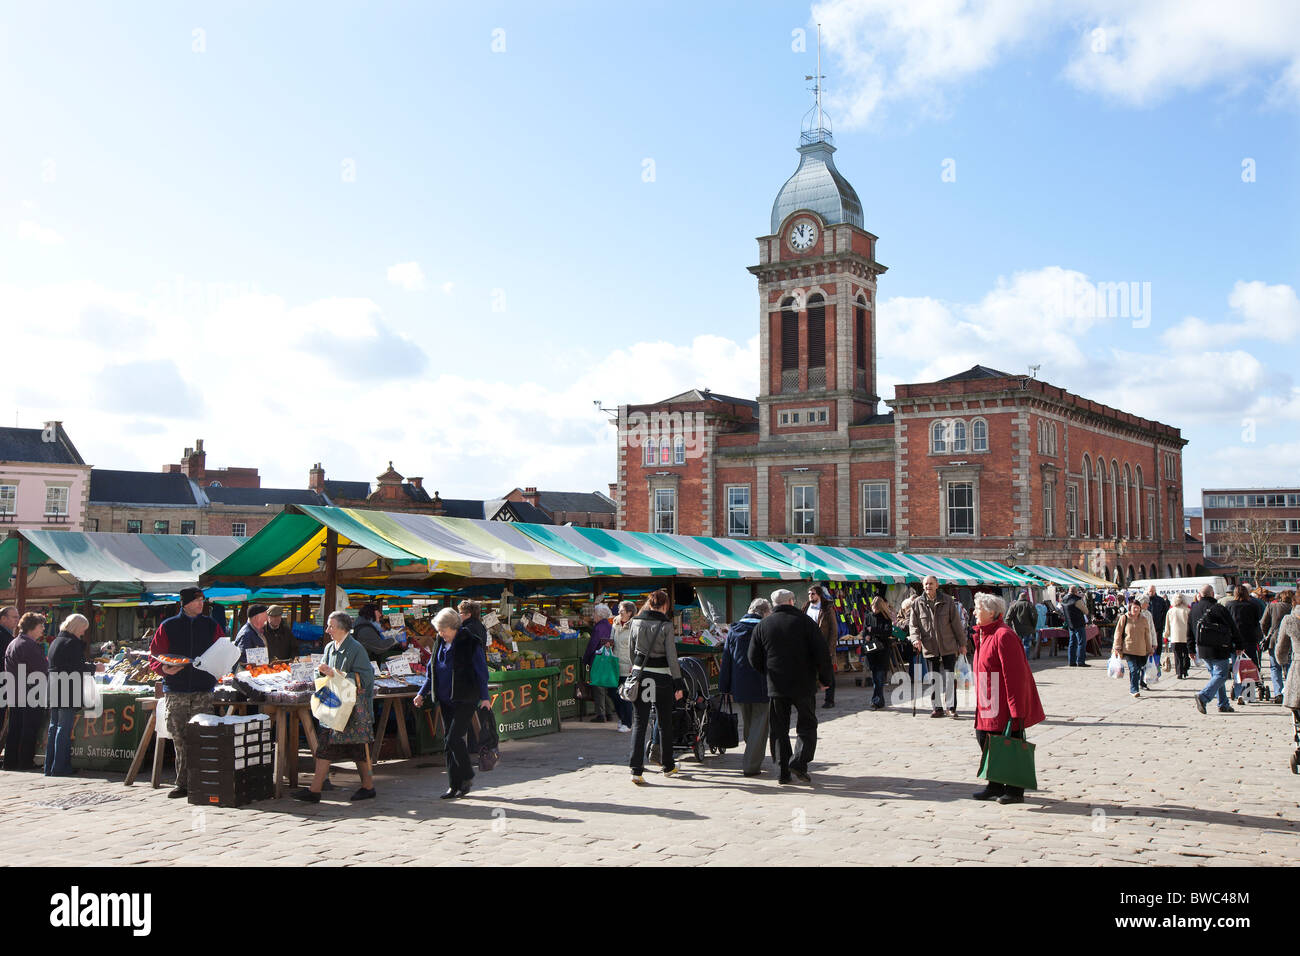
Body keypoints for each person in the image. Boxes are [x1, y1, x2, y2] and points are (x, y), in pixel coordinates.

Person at [748, 588, 832, 785]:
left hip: (777, 684)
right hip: (804, 683)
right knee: (807, 725)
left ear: (774, 604)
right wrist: (825, 680)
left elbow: (753, 658)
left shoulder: (763, 625)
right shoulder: (806, 623)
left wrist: (768, 672)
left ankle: (782, 771)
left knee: (779, 729)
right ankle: (799, 761)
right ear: (792, 601)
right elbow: (822, 654)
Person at [294, 611, 378, 802]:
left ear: (342, 628)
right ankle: (315, 789)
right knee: (325, 745)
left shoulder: (356, 648)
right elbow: (323, 675)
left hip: (353, 709)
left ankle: (368, 786)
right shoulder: (330, 647)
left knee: (358, 748)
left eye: (331, 626)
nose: (327, 630)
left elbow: (366, 678)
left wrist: (336, 673)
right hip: (334, 706)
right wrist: (321, 673)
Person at [971, 593, 1044, 805]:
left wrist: (1016, 710)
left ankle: (1014, 789)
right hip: (987, 698)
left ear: (992, 613)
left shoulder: (1004, 635)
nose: (974, 612)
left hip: (1002, 701)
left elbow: (1015, 676)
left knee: (1008, 742)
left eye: (978, 608)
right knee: (985, 739)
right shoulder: (984, 634)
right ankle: (994, 785)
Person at [150, 586, 222, 797]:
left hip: (203, 689)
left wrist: (218, 669)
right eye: (197, 600)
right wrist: (164, 669)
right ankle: (183, 783)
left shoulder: (211, 625)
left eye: (202, 600)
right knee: (179, 736)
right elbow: (154, 655)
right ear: (185, 603)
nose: (201, 604)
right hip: (177, 690)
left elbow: (222, 650)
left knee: (202, 736)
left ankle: (202, 781)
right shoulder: (168, 626)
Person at [413, 606, 490, 799]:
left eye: (443, 630)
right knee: (448, 743)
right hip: (446, 699)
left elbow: (482, 672)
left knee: (453, 738)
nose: (440, 634)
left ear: (454, 627)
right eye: (439, 631)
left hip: (465, 697)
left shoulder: (471, 643)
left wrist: (485, 697)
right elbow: (432, 672)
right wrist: (422, 693)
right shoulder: (440, 642)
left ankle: (467, 775)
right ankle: (454, 785)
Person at [625, 589, 682, 784]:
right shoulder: (665, 625)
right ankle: (668, 765)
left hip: (640, 675)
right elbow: (672, 657)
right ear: (665, 606)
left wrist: (637, 669)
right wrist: (678, 682)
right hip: (662, 677)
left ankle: (636, 769)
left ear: (649, 604)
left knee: (639, 722)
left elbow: (631, 652)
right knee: (665, 722)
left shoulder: (635, 622)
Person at [719, 598, 771, 776]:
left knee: (750, 722)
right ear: (764, 612)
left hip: (740, 684)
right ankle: (751, 764)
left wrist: (724, 685)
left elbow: (726, 659)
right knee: (760, 724)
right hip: (762, 683)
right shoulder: (766, 629)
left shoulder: (734, 630)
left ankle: (752, 756)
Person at [908, 575, 966, 718]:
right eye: (926, 584)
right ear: (923, 586)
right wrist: (915, 639)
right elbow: (913, 625)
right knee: (934, 677)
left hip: (948, 644)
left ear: (937, 585)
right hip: (930, 645)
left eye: (931, 584)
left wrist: (962, 644)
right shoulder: (917, 603)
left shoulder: (947, 600)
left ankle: (951, 707)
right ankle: (937, 707)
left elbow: (956, 624)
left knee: (950, 676)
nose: (928, 586)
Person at [45, 613, 95, 776]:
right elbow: (77, 667)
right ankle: (60, 767)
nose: (83, 633)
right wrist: (95, 668)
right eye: (83, 629)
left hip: (54, 687)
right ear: (77, 627)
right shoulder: (72, 643)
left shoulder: (55, 642)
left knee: (54, 727)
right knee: (63, 729)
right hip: (67, 688)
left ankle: (50, 766)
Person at [3, 612, 49, 770]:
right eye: (41, 626)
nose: (43, 628)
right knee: (28, 728)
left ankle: (11, 761)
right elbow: (42, 670)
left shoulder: (15, 642)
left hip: (16, 691)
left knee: (15, 727)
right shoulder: (28, 645)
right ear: (32, 627)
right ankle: (24, 761)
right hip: (29, 692)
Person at [1189, 583, 1242, 715]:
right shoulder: (1218, 608)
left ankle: (1223, 703)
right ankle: (1204, 696)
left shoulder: (1193, 610)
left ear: (1200, 595)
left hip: (1202, 648)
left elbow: (1189, 630)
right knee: (1221, 675)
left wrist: (1190, 648)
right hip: (1219, 647)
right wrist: (1239, 644)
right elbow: (1232, 627)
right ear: (1212, 594)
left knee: (1215, 675)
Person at [802, 585, 839, 708]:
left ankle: (830, 700)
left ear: (819, 594)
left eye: (812, 593)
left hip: (823, 645)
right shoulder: (805, 607)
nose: (810, 596)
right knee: (809, 673)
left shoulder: (827, 609)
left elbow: (834, 630)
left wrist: (830, 648)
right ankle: (808, 698)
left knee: (827, 673)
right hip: (809, 645)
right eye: (809, 594)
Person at [1226, 584, 1264, 700]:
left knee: (1237, 666)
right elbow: (1257, 621)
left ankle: (1239, 692)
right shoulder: (1253, 605)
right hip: (1250, 639)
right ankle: (1249, 694)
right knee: (1250, 665)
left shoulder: (1229, 605)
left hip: (1234, 640)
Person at [582, 604, 617, 723]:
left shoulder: (598, 628)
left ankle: (601, 715)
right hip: (607, 660)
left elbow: (592, 646)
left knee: (598, 688)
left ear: (600, 615)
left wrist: (585, 659)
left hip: (597, 660)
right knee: (605, 688)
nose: (593, 616)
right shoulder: (610, 626)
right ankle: (609, 712)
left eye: (595, 614)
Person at [1112, 600, 1154, 698]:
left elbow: (1147, 635)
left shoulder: (1143, 619)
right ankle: (1134, 690)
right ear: (1130, 608)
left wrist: (1150, 648)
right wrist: (1117, 646)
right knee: (1134, 669)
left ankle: (1133, 685)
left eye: (1138, 608)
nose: (1136, 609)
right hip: (1128, 649)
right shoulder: (1124, 618)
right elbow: (1118, 633)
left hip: (1141, 650)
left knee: (1137, 669)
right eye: (1134, 607)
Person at [863, 596, 895, 710]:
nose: (874, 610)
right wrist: (866, 636)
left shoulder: (886, 618)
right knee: (875, 677)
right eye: (873, 607)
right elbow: (865, 630)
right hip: (871, 650)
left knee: (879, 677)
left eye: (876, 608)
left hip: (882, 650)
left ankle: (876, 700)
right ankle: (879, 701)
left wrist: (874, 630)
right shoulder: (868, 616)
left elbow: (887, 632)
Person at [1263, 590, 1295, 703]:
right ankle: (1289, 691)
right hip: (1291, 640)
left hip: (1274, 639)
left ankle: (1278, 692)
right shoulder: (1293, 608)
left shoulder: (1272, 606)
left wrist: (1267, 633)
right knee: (1290, 667)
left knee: (1274, 667)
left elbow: (1263, 623)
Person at [609, 601, 636, 731]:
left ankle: (627, 723)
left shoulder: (635, 626)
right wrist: (609, 644)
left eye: (622, 610)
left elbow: (637, 646)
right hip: (615, 664)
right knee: (613, 693)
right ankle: (621, 717)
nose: (619, 612)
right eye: (619, 610)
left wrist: (635, 663)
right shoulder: (615, 624)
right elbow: (611, 640)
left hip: (628, 665)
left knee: (625, 694)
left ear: (630, 612)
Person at [1163, 593, 1192, 679]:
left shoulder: (1170, 611)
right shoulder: (1188, 610)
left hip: (1175, 637)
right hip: (1186, 636)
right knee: (1186, 654)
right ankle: (1185, 669)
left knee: (1177, 655)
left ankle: (1179, 672)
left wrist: (1166, 635)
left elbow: (1167, 625)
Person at [1062, 586, 1090, 667]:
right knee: (1081, 642)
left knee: (1072, 643)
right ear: (1076, 591)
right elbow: (1086, 611)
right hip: (1079, 623)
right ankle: (1080, 661)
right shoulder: (1077, 600)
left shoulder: (1064, 599)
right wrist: (1082, 600)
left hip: (1070, 623)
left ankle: (1071, 661)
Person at [1006, 590, 1038, 660]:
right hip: (1028, 628)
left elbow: (1008, 618)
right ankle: (1025, 659)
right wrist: (1033, 626)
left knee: (1017, 645)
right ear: (1026, 597)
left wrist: (1009, 628)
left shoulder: (1013, 605)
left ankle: (1018, 658)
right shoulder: (1029, 605)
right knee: (1026, 644)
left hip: (1016, 629)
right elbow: (1034, 616)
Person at [1146, 585, 1169, 671]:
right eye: (1149, 591)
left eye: (1152, 591)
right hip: (1147, 627)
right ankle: (1149, 659)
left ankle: (1157, 660)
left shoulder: (1160, 600)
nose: (1151, 593)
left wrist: (1163, 624)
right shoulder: (1146, 600)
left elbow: (1165, 612)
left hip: (1158, 626)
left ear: (1155, 591)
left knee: (1158, 644)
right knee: (1148, 643)